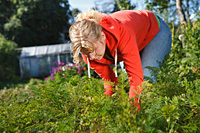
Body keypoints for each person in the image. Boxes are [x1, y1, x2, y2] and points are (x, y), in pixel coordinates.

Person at [69, 10, 172, 110]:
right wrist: (107, 106)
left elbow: (136, 79)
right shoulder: (86, 46)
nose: (90, 57)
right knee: (127, 83)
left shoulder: (122, 32)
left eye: (93, 51)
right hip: (134, 38)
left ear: (103, 37)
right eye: (87, 54)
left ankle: (152, 116)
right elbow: (109, 81)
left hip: (154, 30)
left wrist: (131, 114)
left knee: (145, 79)